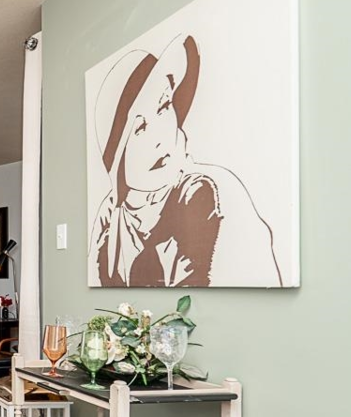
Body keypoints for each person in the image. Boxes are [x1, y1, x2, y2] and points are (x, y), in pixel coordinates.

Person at [89, 34, 281, 287]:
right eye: (139, 128)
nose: (159, 137)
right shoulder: (110, 217)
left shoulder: (209, 191)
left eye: (164, 106)